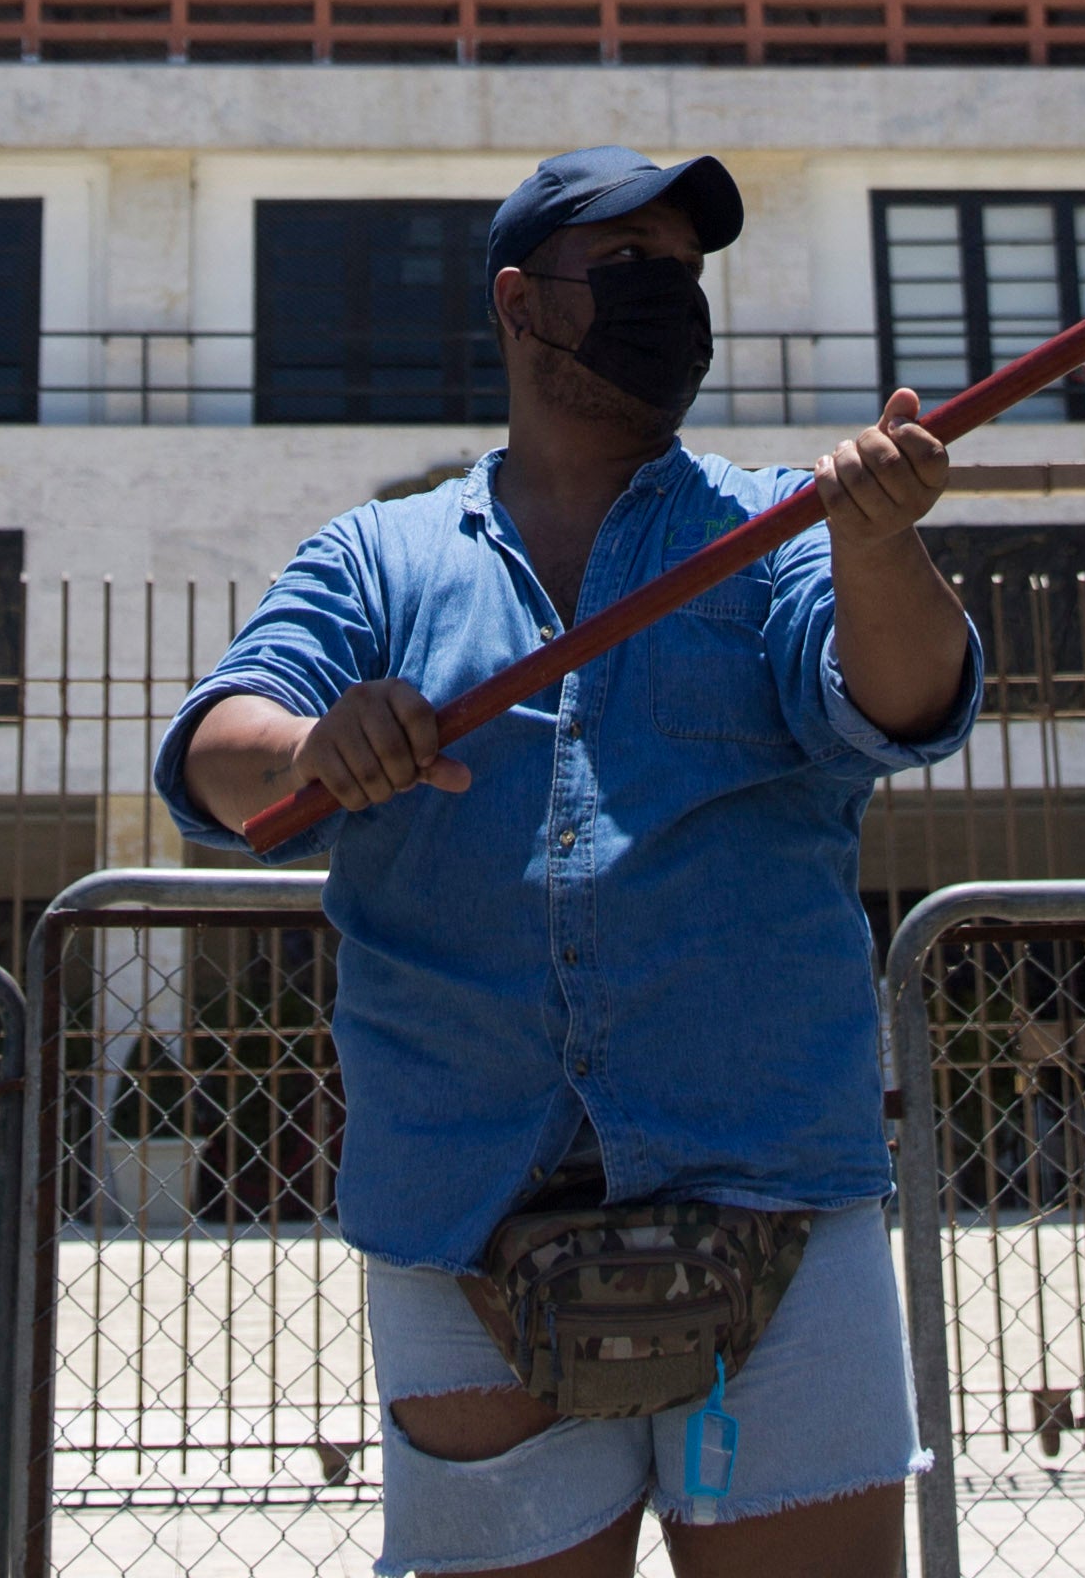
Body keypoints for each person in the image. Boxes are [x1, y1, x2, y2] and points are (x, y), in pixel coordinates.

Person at [162, 146, 979, 1578]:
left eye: (686, 273)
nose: (670, 299)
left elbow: (905, 702)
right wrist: (307, 751)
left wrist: (881, 548)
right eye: (628, 268)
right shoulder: (380, 556)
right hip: (461, 1212)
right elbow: (214, 753)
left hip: (778, 1191)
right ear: (519, 301)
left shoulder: (782, 530)